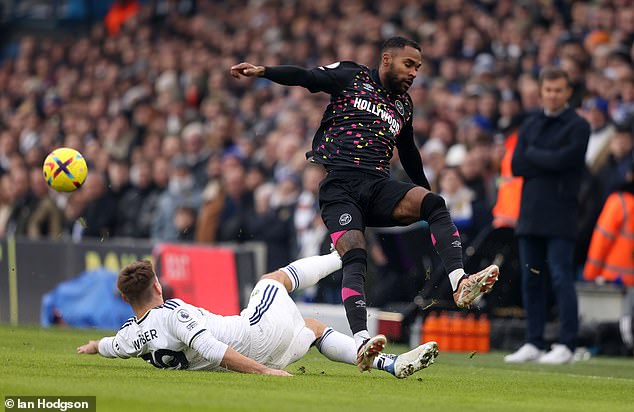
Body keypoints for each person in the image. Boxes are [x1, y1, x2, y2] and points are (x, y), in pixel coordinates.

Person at [230, 36, 499, 369]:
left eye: (418, 67)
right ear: (386, 59)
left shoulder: (404, 105)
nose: (414, 73)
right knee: (354, 255)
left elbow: (411, 154)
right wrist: (264, 71)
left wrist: (427, 197)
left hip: (377, 186)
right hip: (339, 189)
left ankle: (460, 283)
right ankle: (361, 340)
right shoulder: (351, 76)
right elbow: (308, 77)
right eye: (409, 64)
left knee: (435, 203)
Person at [77, 252, 439, 379]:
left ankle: (387, 363)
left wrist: (93, 346)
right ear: (157, 287)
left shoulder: (129, 336)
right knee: (271, 281)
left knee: (313, 328)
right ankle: (342, 255)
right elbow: (211, 347)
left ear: (124, 298)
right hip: (254, 339)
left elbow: (111, 346)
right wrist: (265, 371)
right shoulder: (172, 311)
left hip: (259, 353)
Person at [507, 67, 591, 364]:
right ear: (541, 91)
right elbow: (517, 164)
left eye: (558, 90)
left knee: (560, 277)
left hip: (561, 214)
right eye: (548, 90)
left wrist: (535, 156)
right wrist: (545, 159)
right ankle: (534, 341)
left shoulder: (579, 126)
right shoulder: (530, 123)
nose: (553, 95)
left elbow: (566, 160)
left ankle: (567, 344)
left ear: (568, 92)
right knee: (531, 280)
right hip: (530, 213)